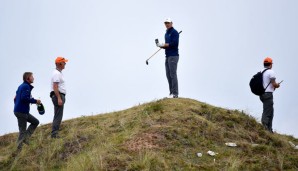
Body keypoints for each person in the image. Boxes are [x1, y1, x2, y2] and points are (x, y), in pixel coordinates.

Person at [14, 72, 41, 149]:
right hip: (21, 112)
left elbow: (15, 98)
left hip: (22, 111)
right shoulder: (26, 86)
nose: (33, 78)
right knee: (22, 131)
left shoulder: (21, 86)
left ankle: (26, 138)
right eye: (32, 76)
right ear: (27, 78)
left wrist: (17, 106)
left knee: (35, 122)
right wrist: (35, 101)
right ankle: (18, 151)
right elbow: (24, 98)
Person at [156, 18, 180, 98]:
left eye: (168, 23)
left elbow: (174, 44)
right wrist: (161, 46)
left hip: (173, 56)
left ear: (171, 23)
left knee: (173, 74)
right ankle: (171, 93)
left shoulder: (174, 32)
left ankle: (175, 94)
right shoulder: (166, 33)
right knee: (168, 75)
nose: (167, 24)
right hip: (167, 56)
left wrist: (164, 44)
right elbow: (167, 46)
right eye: (166, 23)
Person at [260, 57, 281, 133]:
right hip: (268, 94)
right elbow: (273, 84)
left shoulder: (261, 71)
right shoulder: (271, 72)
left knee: (271, 111)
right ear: (270, 64)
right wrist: (277, 85)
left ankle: (269, 130)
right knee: (267, 111)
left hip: (262, 94)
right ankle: (264, 129)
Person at [50, 57, 68, 138]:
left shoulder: (58, 73)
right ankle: (54, 134)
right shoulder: (56, 73)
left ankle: (54, 133)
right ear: (59, 63)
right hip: (58, 95)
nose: (65, 64)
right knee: (58, 115)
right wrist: (59, 98)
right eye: (64, 62)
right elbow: (55, 86)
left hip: (59, 95)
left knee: (57, 114)